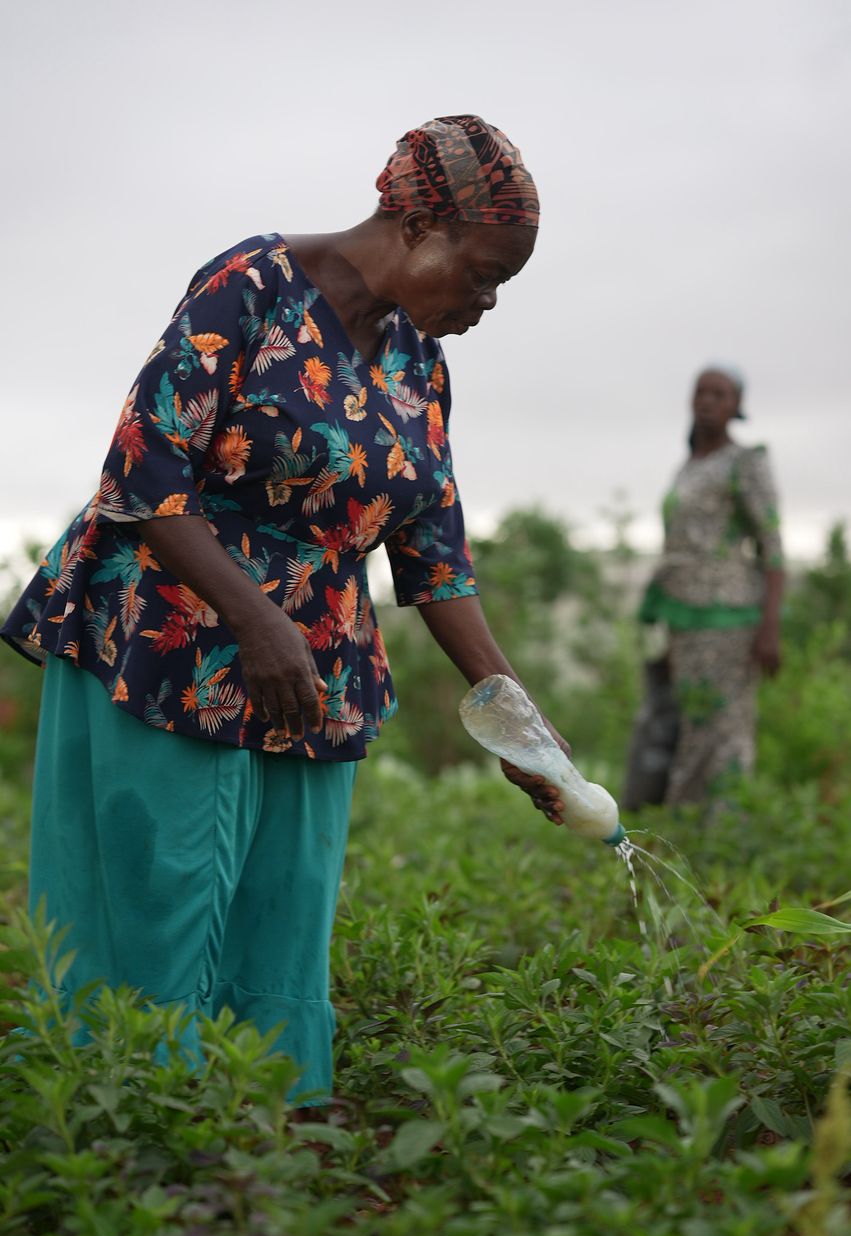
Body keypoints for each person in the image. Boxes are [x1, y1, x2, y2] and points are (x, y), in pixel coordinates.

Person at [2, 115, 568, 1102]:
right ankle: (137, 1154)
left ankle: (259, 1168)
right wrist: (259, 621)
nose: (481, 303)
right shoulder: (250, 287)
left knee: (283, 915)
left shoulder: (418, 365)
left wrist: (516, 717)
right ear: (413, 227)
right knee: (165, 902)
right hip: (172, 642)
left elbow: (434, 561)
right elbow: (141, 475)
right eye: (478, 275)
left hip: (317, 674)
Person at [630, 364, 784, 806]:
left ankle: (726, 828)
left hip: (730, 618)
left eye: (720, 395)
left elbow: (773, 550)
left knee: (726, 726)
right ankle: (690, 825)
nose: (708, 401)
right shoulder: (690, 465)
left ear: (737, 407)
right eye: (702, 392)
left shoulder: (744, 463)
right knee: (694, 720)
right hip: (685, 616)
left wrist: (769, 628)